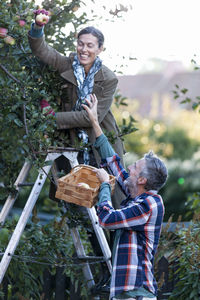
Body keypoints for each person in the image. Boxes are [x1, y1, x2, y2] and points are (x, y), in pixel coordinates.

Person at [28, 9, 125, 209]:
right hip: (72, 143)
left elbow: (90, 117)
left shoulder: (108, 79)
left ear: (100, 49)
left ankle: (114, 241)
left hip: (99, 144)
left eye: (90, 45)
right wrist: (38, 27)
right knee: (75, 202)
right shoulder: (67, 64)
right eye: (81, 43)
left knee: (109, 204)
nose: (84, 49)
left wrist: (51, 118)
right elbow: (42, 51)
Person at [82, 94, 168, 300]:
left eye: (135, 167)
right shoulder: (135, 197)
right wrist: (94, 121)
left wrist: (104, 185)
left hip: (136, 294)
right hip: (125, 294)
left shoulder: (149, 204)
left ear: (142, 181)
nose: (129, 168)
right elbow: (113, 163)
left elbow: (106, 219)